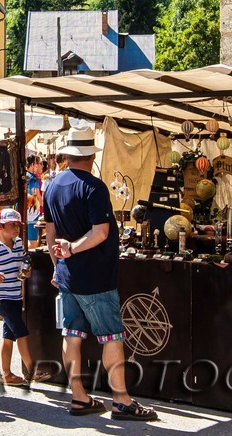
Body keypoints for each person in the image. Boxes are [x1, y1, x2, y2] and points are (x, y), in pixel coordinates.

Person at [42, 126, 157, 421]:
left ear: (67, 154)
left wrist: (59, 264)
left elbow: (51, 233)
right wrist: (73, 250)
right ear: (91, 155)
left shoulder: (52, 186)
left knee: (72, 334)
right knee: (112, 337)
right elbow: (101, 232)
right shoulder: (93, 186)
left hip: (69, 276)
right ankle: (121, 400)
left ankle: (79, 396)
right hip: (95, 276)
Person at [0, 208, 33, 387]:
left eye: (18, 225)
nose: (16, 228)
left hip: (15, 295)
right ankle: (32, 368)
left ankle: (6, 374)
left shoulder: (19, 243)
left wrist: (26, 271)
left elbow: (22, 263)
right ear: (0, 226)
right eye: (12, 225)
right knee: (21, 331)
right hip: (2, 297)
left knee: (9, 335)